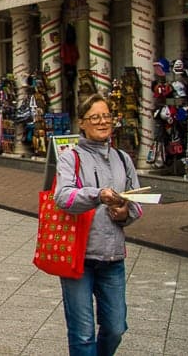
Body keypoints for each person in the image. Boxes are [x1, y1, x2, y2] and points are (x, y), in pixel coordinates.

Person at [54, 94, 142, 356]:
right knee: (82, 334)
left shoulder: (123, 158)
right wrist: (97, 195)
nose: (103, 122)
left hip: (113, 256)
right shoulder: (71, 158)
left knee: (115, 327)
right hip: (78, 256)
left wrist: (125, 213)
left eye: (106, 116)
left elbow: (136, 200)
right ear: (82, 123)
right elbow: (63, 197)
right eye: (95, 117)